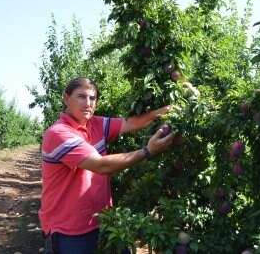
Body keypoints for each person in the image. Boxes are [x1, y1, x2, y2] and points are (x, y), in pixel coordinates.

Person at [39, 76, 176, 253]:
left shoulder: (96, 124)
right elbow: (101, 165)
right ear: (66, 98)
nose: (88, 103)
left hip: (104, 222)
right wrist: (148, 151)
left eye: (92, 98)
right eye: (81, 96)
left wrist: (165, 111)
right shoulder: (58, 133)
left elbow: (130, 123)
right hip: (70, 232)